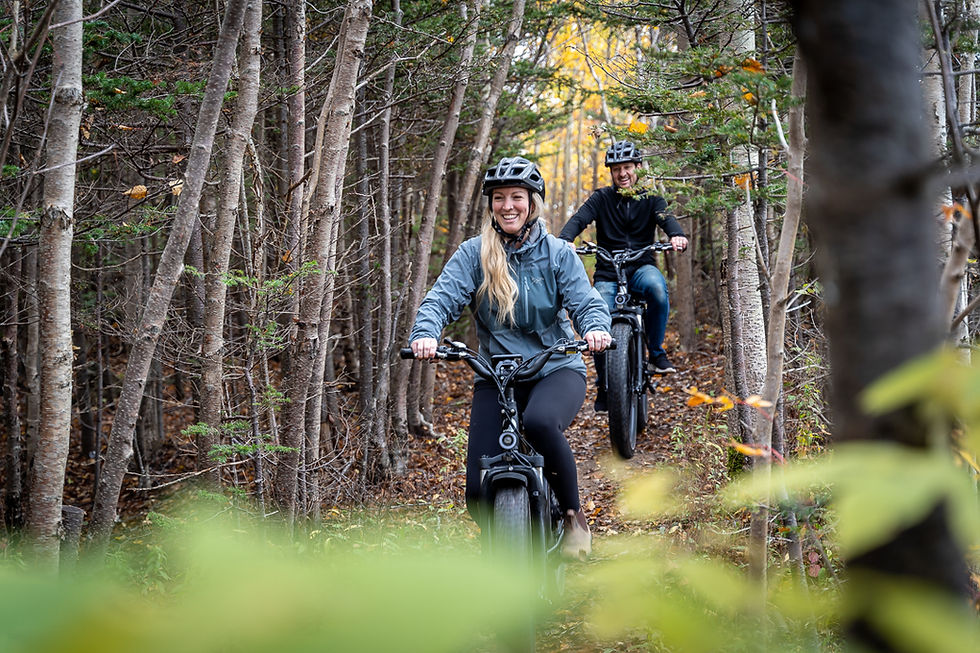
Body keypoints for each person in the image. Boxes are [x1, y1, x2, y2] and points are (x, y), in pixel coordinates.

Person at [410, 156, 612, 560]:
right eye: (499, 198)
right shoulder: (474, 255)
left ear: (532, 203)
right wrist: (425, 333)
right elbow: (440, 299)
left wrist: (594, 328)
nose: (507, 206)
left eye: (517, 197)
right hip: (497, 373)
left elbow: (586, 302)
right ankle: (510, 547)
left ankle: (573, 518)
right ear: (491, 206)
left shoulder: (557, 253)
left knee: (539, 422)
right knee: (476, 491)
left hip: (555, 366)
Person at [558, 140, 688, 412]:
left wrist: (676, 234)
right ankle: (605, 384)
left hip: (641, 266)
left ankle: (655, 353)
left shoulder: (651, 197)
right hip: (608, 270)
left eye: (627, 167)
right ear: (611, 172)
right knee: (597, 318)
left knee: (656, 287)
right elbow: (580, 219)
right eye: (616, 169)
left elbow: (666, 218)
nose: (622, 174)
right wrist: (566, 239)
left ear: (637, 167)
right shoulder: (601, 198)